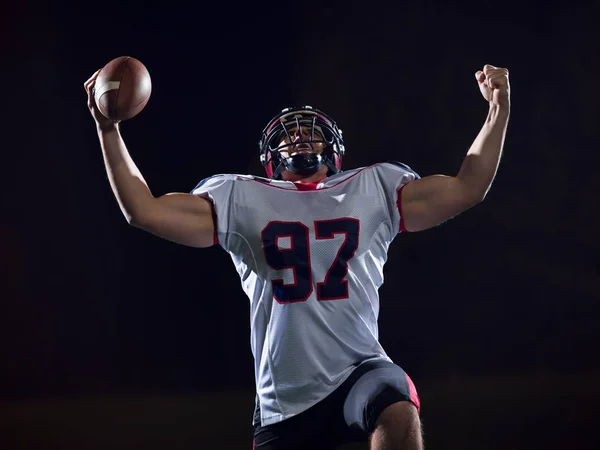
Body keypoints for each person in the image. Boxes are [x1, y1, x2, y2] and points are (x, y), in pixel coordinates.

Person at [84, 64, 510, 450]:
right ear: (271, 159)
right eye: (289, 135)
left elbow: (467, 187)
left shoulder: (373, 188)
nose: (301, 137)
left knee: (397, 408)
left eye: (311, 132)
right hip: (284, 401)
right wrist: (108, 131)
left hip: (359, 370)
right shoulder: (240, 195)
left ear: (335, 150)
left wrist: (498, 110)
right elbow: (143, 210)